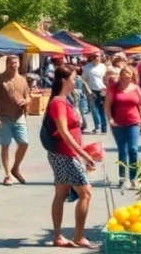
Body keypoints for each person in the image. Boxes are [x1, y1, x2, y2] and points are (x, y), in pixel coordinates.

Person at [45, 65, 98, 249]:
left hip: (64, 154)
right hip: (64, 155)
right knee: (86, 192)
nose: (76, 80)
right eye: (73, 77)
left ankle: (58, 236)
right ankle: (78, 236)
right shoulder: (58, 102)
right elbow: (64, 132)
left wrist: (83, 152)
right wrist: (84, 155)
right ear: (63, 81)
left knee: (60, 194)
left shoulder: (65, 99)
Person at [0, 53, 31, 186]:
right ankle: (7, 175)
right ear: (7, 65)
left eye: (16, 64)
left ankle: (15, 167)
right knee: (5, 145)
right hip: (3, 116)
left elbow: (28, 96)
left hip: (19, 116)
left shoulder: (22, 79)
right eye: (12, 64)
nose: (15, 66)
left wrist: (25, 100)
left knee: (24, 143)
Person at [105, 65, 141, 190]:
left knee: (133, 150)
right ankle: (122, 178)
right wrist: (110, 119)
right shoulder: (114, 88)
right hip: (118, 124)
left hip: (133, 122)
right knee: (122, 150)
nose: (124, 79)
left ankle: (134, 178)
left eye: (127, 76)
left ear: (132, 77)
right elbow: (107, 105)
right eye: (123, 76)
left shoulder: (136, 89)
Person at [82, 53, 108, 134]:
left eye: (99, 57)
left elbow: (107, 78)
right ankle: (98, 126)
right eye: (96, 57)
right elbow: (83, 80)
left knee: (102, 109)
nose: (98, 58)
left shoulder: (103, 67)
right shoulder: (87, 67)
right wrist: (88, 89)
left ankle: (104, 127)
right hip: (92, 90)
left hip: (103, 89)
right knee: (94, 109)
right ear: (92, 58)